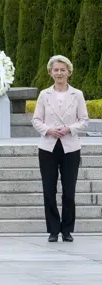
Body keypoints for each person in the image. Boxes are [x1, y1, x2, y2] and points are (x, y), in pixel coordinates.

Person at [32, 55, 89, 242]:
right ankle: (53, 230)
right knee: (49, 190)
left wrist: (69, 129)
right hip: (48, 147)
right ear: (50, 72)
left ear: (69, 72)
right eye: (55, 70)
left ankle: (67, 229)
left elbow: (84, 121)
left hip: (70, 147)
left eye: (62, 70)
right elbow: (36, 120)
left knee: (69, 191)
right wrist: (48, 130)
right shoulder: (44, 94)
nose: (59, 73)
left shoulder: (77, 94)